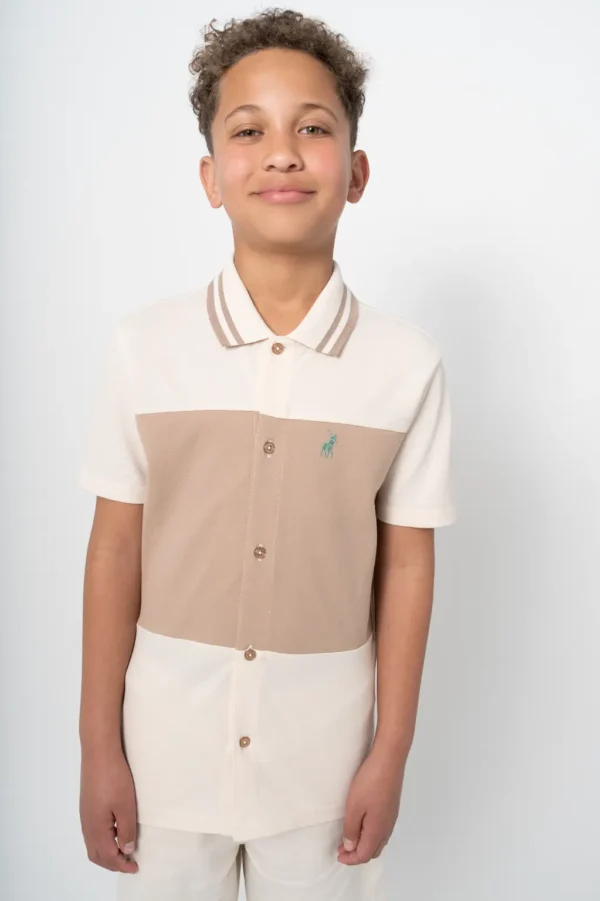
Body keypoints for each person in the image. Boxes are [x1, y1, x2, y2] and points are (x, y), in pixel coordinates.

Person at [77, 8, 457, 900]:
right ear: (211, 176)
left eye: (313, 129)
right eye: (249, 131)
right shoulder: (145, 348)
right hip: (164, 762)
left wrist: (391, 749)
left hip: (323, 771)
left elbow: (407, 564)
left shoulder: (406, 365)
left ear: (356, 172)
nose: (282, 154)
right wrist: (98, 747)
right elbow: (114, 548)